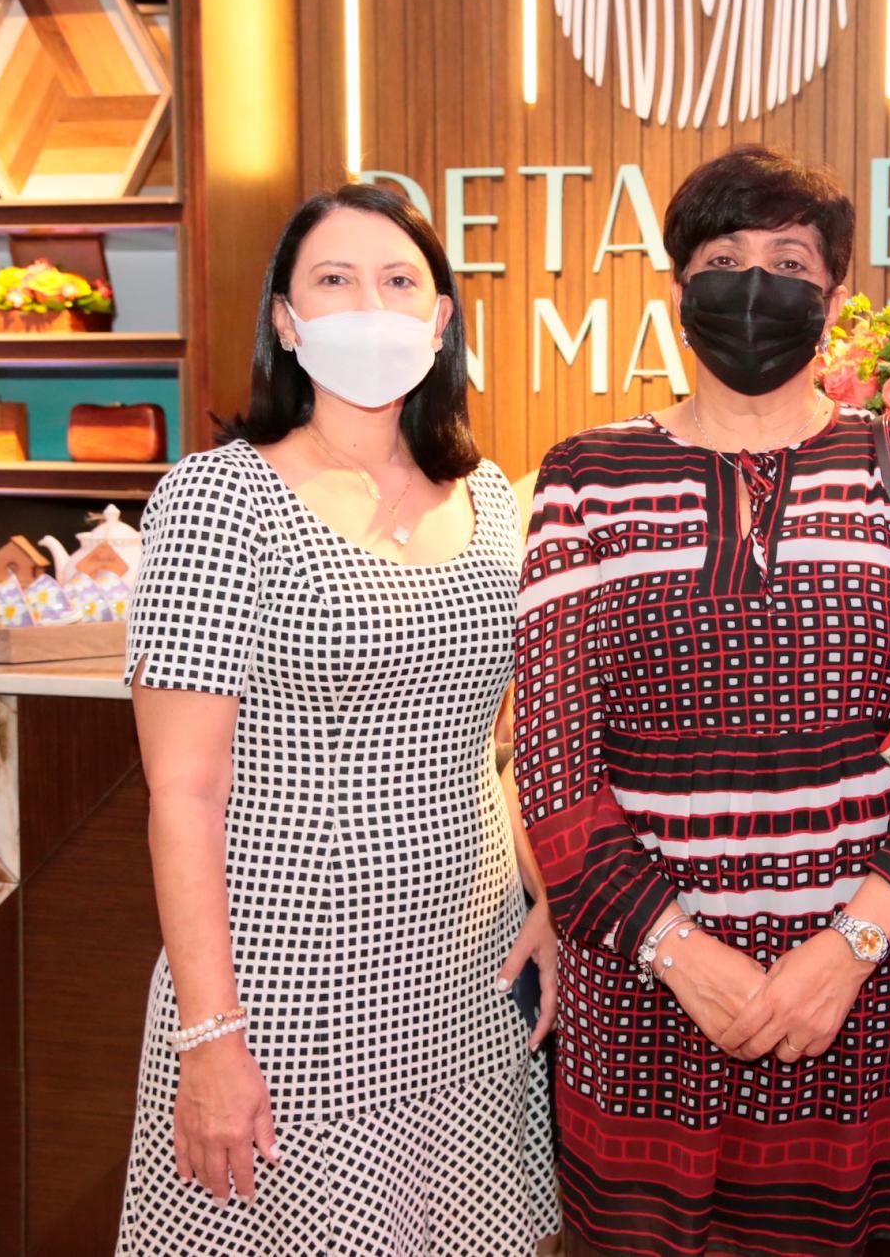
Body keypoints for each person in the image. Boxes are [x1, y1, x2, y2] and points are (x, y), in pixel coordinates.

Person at [512, 144, 890, 1257]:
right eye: (722, 256)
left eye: (789, 259)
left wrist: (844, 945)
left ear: (834, 296)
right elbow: (552, 764)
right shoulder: (582, 473)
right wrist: (677, 950)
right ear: (678, 289)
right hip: (640, 989)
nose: (755, 282)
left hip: (866, 990)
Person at [116, 184, 561, 1255]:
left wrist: (545, 898)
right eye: (334, 278)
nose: (372, 302)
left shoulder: (492, 496)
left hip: (467, 971)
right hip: (288, 987)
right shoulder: (219, 499)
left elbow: (489, 740)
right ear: (285, 319)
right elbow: (182, 790)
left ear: (442, 317)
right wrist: (211, 1035)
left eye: (400, 279)